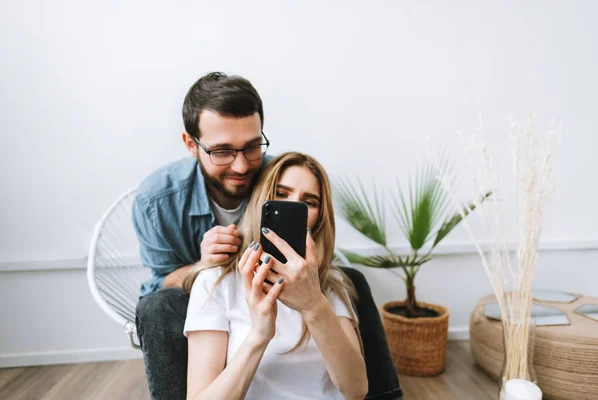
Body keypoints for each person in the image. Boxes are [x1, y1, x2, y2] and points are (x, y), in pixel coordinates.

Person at [133, 72, 403, 400]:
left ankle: (386, 393)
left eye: (252, 147)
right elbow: (158, 285)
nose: (243, 165)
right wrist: (204, 266)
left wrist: (314, 298)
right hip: (202, 289)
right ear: (191, 144)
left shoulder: (277, 174)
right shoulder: (157, 200)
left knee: (348, 279)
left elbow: (314, 230)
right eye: (222, 151)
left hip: (284, 281)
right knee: (156, 307)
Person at [183, 152, 368, 399]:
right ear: (261, 200)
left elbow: (357, 390)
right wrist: (259, 335)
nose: (293, 205)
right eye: (281, 194)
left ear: (319, 219)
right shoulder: (215, 282)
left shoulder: (331, 285)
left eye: (309, 202)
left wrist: (314, 305)